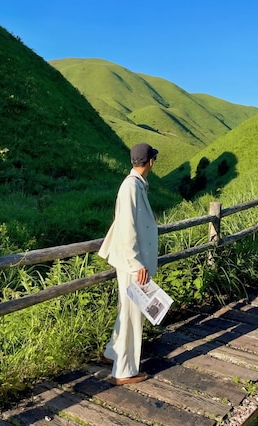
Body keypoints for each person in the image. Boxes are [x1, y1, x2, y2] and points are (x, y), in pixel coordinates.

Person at [98, 142, 159, 385]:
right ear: (151, 162)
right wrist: (136, 264)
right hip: (133, 263)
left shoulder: (135, 185)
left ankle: (112, 353)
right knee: (134, 316)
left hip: (133, 261)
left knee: (128, 310)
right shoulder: (131, 187)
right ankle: (124, 371)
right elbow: (127, 229)